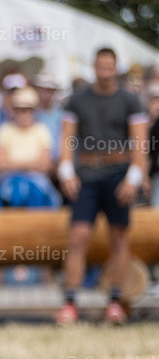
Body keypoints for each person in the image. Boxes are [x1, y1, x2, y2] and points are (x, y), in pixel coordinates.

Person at [56, 47, 149, 325]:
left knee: (119, 237)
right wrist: (66, 171)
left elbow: (140, 142)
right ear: (94, 67)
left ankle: (115, 301)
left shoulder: (130, 100)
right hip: (87, 173)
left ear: (115, 68)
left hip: (118, 172)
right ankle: (70, 302)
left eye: (109, 67)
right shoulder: (77, 99)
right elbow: (66, 137)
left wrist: (134, 177)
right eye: (101, 66)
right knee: (78, 236)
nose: (105, 72)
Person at [0, 88, 59, 209]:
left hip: (37, 184)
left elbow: (45, 164)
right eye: (19, 110)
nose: (23, 114)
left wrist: (14, 164)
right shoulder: (5, 130)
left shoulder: (41, 131)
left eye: (27, 110)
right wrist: (31, 164)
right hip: (8, 183)